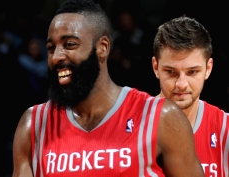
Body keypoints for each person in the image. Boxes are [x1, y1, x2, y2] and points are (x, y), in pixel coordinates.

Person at [12, 0, 204, 176]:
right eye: (51, 48)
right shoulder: (34, 125)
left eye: (70, 44)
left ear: (102, 47)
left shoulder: (160, 117)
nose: (56, 57)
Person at [151, 16, 229, 176]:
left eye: (192, 72)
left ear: (208, 68)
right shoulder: (128, 127)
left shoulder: (224, 129)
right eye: (171, 72)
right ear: (156, 67)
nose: (181, 84)